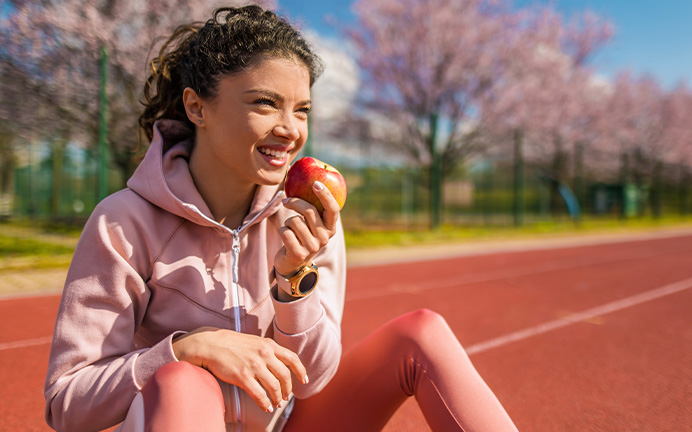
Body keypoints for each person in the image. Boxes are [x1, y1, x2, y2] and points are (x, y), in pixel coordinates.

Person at [44, 5, 519, 432]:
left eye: (302, 110)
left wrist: (294, 282)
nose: (290, 130)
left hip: (289, 422)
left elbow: (312, 378)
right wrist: (185, 349)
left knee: (423, 332)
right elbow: (67, 401)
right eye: (265, 102)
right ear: (197, 107)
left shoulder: (306, 216)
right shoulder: (123, 222)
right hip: (180, 416)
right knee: (184, 381)